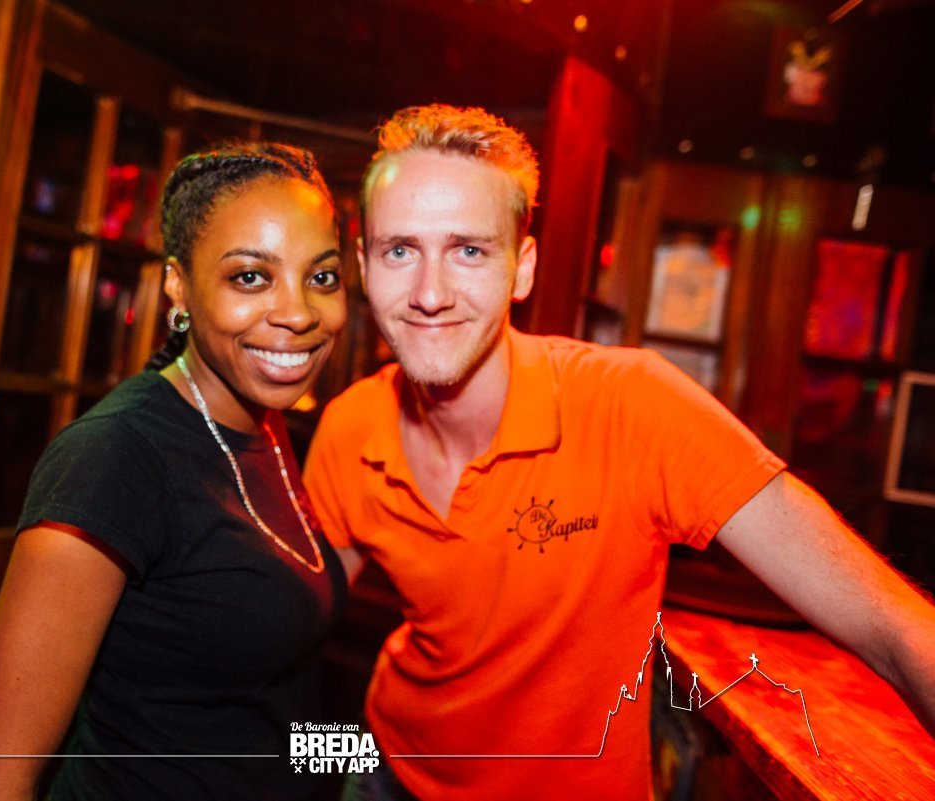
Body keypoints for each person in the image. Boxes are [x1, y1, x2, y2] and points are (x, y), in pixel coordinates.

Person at [302, 104, 935, 801]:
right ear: (364, 266)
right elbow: (290, 624)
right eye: (400, 251)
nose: (429, 293)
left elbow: (888, 622)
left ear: (522, 268)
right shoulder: (350, 426)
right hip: (388, 772)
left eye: (469, 251)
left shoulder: (632, 404)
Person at [0, 142, 348, 801]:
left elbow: (261, 717)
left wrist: (375, 760)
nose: (299, 312)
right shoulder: (115, 457)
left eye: (323, 277)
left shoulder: (266, 425)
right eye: (251, 277)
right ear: (178, 285)